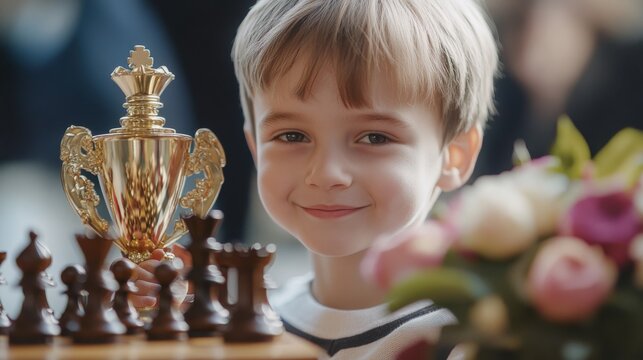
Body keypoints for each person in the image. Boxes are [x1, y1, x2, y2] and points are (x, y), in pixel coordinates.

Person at [133, 0, 498, 358]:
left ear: (454, 155)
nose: (325, 174)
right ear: (256, 147)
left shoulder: (473, 338)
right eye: (292, 136)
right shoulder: (245, 320)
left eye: (374, 137)